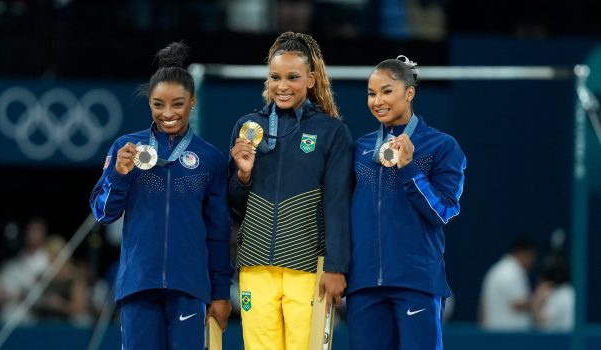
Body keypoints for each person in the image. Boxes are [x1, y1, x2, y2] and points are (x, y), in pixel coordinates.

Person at [89, 41, 233, 350]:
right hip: (139, 284)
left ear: (193, 102)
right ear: (149, 103)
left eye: (177, 104)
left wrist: (220, 292)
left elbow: (218, 233)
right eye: (158, 104)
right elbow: (103, 213)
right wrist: (118, 175)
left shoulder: (209, 159)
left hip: (189, 286)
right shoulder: (126, 148)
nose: (167, 114)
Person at [228, 31, 353, 349]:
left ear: (310, 79)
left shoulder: (332, 132)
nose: (282, 86)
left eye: (292, 77)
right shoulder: (248, 128)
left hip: (309, 270)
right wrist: (242, 176)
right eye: (275, 77)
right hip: (255, 269)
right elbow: (234, 206)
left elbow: (337, 203)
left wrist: (337, 266)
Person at [346, 56, 467, 350]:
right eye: (372, 94)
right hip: (364, 285)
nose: (377, 101)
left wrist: (410, 169)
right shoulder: (360, 148)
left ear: (409, 93)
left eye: (387, 91)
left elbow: (444, 211)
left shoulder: (442, 146)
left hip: (416, 282)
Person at [479, 237, 537, 331]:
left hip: (494, 334)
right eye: (531, 256)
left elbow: (481, 307)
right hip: (510, 336)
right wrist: (540, 298)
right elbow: (518, 304)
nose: (533, 262)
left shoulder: (497, 269)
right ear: (523, 253)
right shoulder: (513, 271)